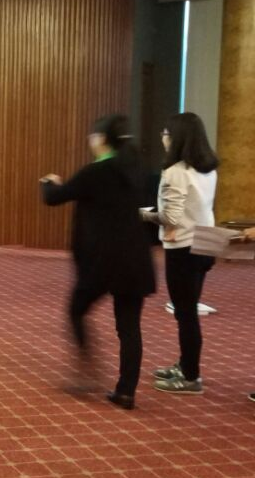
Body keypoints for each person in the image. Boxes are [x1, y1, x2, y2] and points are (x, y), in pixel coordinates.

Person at [41, 115, 156, 409]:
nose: (90, 140)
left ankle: (87, 371)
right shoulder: (136, 169)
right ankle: (126, 391)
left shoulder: (95, 172)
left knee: (76, 310)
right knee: (129, 327)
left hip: (103, 262)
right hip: (136, 258)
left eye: (93, 136)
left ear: (102, 139)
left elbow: (54, 198)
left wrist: (49, 182)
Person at [141, 112, 218, 395]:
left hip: (184, 245)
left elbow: (171, 217)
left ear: (175, 137)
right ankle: (186, 364)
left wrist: (143, 215)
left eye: (165, 132)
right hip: (208, 239)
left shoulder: (175, 170)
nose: (163, 137)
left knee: (185, 313)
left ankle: (190, 376)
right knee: (189, 309)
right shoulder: (207, 168)